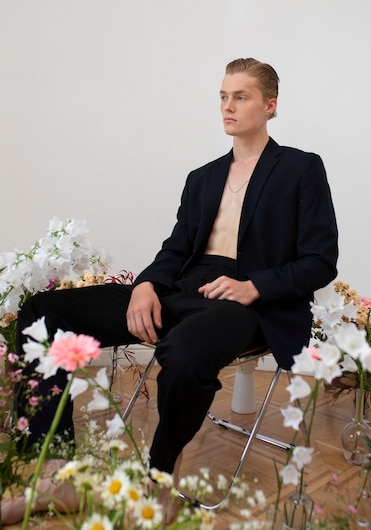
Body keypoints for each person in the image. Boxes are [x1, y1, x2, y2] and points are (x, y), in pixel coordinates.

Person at [2, 57, 338, 523]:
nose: (227, 105)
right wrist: (145, 286)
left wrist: (253, 287)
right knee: (41, 312)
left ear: (270, 105)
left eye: (240, 96)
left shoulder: (301, 168)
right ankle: (54, 474)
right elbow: (176, 248)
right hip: (183, 289)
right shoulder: (201, 178)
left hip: (249, 305)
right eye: (223, 96)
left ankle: (159, 476)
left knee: (181, 351)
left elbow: (321, 261)